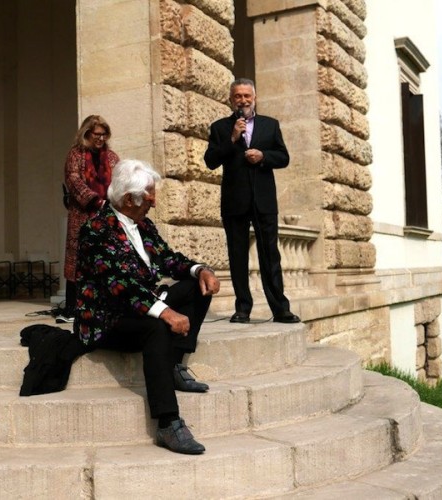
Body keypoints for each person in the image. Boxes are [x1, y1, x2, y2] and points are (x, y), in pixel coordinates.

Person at [74, 159, 221, 455]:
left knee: (197, 287)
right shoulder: (96, 230)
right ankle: (168, 423)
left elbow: (168, 259)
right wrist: (165, 311)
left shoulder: (143, 225)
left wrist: (199, 269)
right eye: (150, 195)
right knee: (157, 325)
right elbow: (120, 286)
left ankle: (175, 364)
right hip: (107, 317)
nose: (153, 202)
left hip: (139, 304)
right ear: (130, 199)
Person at [204, 78, 300, 324]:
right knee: (237, 257)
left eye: (247, 96)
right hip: (234, 201)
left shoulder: (270, 125)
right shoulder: (220, 127)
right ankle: (243, 308)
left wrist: (263, 156)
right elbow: (211, 160)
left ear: (254, 98)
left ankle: (280, 308)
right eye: (238, 96)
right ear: (231, 99)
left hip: (264, 201)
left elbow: (284, 157)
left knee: (270, 255)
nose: (243, 100)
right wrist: (232, 139)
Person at [60, 115, 120, 323]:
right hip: (82, 215)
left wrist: (115, 202)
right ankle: (73, 306)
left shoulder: (112, 158)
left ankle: (104, 303)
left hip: (107, 216)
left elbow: (120, 180)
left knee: (106, 257)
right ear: (87, 133)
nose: (101, 138)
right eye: (97, 134)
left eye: (104, 134)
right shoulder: (75, 155)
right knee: (77, 259)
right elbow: (73, 181)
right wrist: (95, 201)